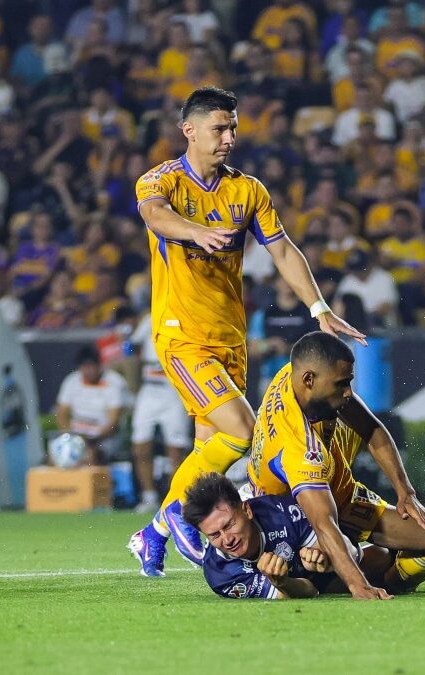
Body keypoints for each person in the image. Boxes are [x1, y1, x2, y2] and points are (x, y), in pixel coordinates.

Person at [128, 87, 364, 576]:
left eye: (233, 128)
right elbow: (155, 216)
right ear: (189, 131)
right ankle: (173, 516)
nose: (229, 138)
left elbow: (283, 250)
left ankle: (153, 533)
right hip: (182, 334)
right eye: (219, 128)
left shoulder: (248, 191)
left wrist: (318, 306)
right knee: (244, 431)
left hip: (230, 338)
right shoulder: (160, 181)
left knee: (208, 454)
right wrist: (196, 231)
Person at [246, 332, 425, 599]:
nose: (349, 391)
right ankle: (393, 571)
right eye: (341, 384)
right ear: (309, 380)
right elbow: (324, 525)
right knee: (325, 576)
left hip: (340, 494)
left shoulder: (295, 373)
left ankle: (396, 557)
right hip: (290, 518)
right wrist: (359, 586)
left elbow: (371, 429)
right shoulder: (299, 447)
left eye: (349, 381)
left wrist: (406, 492)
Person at [183, 472, 398, 599]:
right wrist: (282, 582)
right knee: (384, 578)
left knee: (378, 557)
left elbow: (350, 552)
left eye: (229, 525)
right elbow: (310, 592)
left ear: (246, 510)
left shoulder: (282, 511)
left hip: (325, 569)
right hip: (306, 585)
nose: (227, 539)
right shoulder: (220, 574)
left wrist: (324, 557)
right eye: (214, 535)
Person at [128, 313, 192, 514]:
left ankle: (176, 500)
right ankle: (149, 497)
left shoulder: (186, 315)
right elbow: (130, 346)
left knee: (176, 450)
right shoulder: (151, 318)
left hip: (175, 391)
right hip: (149, 390)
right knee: (140, 446)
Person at [54, 346, 130, 465]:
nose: (88, 371)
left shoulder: (114, 382)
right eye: (84, 366)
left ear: (99, 365)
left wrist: (91, 441)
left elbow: (113, 423)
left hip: (104, 439)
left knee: (90, 456)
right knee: (55, 457)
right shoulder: (71, 381)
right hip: (76, 436)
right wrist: (69, 437)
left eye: (91, 366)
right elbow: (61, 414)